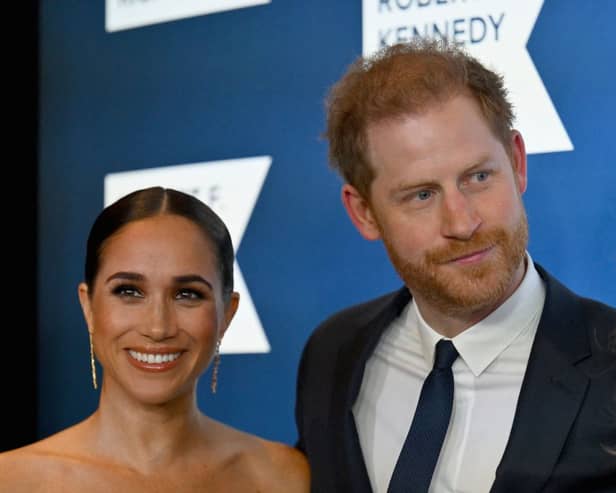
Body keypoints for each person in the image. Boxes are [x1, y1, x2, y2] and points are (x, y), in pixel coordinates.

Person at [294, 38, 616, 493]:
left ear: (518, 162)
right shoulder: (332, 353)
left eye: (479, 177)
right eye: (422, 195)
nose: (463, 222)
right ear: (364, 212)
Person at [0, 186, 310, 492]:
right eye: (129, 291)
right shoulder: (12, 480)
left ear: (227, 314)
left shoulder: (283, 478)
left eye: (187, 294)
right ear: (89, 307)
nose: (158, 327)